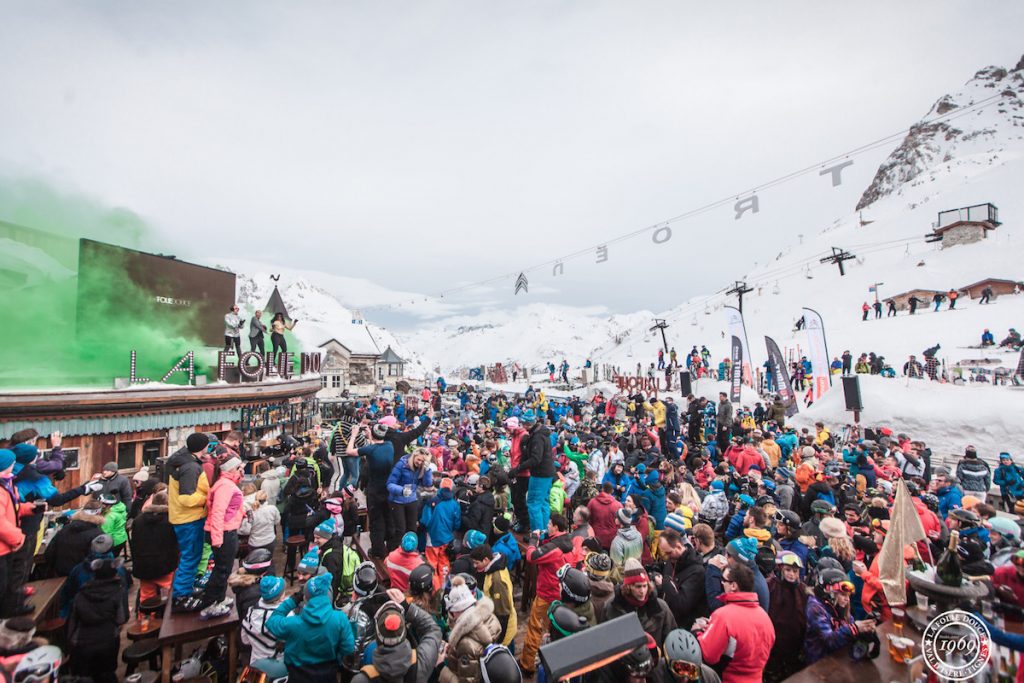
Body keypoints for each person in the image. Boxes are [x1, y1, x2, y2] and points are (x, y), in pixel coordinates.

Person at [519, 514, 583, 675]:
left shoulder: (555, 548)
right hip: (562, 594)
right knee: (553, 629)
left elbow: (532, 556)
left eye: (549, 524)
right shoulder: (569, 541)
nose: (547, 525)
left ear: (555, 527)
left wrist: (534, 540)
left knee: (535, 627)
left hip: (547, 593)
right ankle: (553, 662)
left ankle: (527, 665)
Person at [266, 572, 356, 681]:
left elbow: (272, 622)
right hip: (328, 674)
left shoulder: (293, 624)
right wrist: (336, 659)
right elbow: (348, 648)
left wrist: (293, 600)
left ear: (305, 598)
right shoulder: (340, 619)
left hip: (297, 675)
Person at [692, 563, 774, 683]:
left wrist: (698, 632)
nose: (722, 583)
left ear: (733, 585)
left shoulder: (723, 616)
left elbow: (709, 655)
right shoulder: (765, 618)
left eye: (724, 580)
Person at [350, 592, 444, 683]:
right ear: (404, 634)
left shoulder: (361, 679)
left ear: (377, 638)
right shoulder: (421, 663)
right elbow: (432, 629)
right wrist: (407, 607)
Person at [65, 553, 129, 683]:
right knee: (107, 675)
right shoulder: (118, 591)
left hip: (81, 644)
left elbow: (73, 621)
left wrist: (69, 645)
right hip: (107, 640)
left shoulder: (81, 594)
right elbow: (121, 619)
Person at [168, 432, 212, 612]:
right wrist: (207, 498)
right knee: (190, 556)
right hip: (189, 518)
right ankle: (181, 597)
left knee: (191, 556)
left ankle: (186, 588)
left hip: (182, 517)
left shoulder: (179, 461)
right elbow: (186, 498)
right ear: (203, 447)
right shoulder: (191, 467)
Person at [202, 456, 246, 619]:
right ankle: (210, 604)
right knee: (221, 569)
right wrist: (217, 538)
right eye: (239, 468)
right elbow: (218, 513)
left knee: (225, 568)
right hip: (223, 532)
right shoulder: (225, 486)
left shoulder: (227, 483)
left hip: (227, 530)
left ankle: (219, 598)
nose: (242, 471)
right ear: (231, 469)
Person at [804, 568, 875, 664]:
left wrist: (863, 632)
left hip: (839, 657)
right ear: (828, 593)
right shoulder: (815, 607)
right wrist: (854, 628)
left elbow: (849, 628)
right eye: (843, 594)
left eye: (848, 595)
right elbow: (829, 640)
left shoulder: (841, 606)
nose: (847, 599)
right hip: (819, 662)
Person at [440, 575, 502, 683]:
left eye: (451, 612)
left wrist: (440, 669)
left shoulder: (465, 645)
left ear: (455, 611)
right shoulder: (490, 618)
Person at [603, 558, 677, 645]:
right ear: (628, 587)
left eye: (645, 586)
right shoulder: (611, 606)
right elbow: (604, 639)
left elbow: (672, 639)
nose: (642, 591)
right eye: (638, 586)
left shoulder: (661, 607)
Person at [350, 421, 394, 559]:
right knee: (389, 518)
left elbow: (349, 451)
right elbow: (377, 447)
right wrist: (371, 437)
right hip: (388, 489)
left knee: (376, 521)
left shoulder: (370, 450)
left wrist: (354, 435)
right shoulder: (389, 446)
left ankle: (377, 551)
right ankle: (391, 548)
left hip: (375, 491)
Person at [130, 491, 179, 604]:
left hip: (143, 565)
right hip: (165, 565)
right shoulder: (171, 520)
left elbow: (135, 543)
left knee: (146, 597)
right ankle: (165, 617)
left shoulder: (138, 520)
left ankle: (146, 619)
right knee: (168, 595)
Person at [765, 551, 807, 680]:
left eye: (795, 571)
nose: (792, 574)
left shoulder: (803, 590)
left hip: (794, 646)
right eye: (788, 570)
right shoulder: (769, 586)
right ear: (780, 568)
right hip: (773, 646)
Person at [513, 410, 555, 533]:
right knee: (543, 502)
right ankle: (545, 531)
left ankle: (537, 535)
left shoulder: (537, 437)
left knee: (533, 503)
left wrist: (519, 467)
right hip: (548, 473)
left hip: (540, 474)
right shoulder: (541, 433)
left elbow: (536, 459)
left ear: (527, 424)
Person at [656, 528, 707, 629]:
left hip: (682, 626)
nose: (666, 557)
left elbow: (682, 605)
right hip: (668, 620)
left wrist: (665, 582)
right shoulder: (673, 561)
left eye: (669, 553)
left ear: (679, 546)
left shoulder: (697, 571)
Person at [471, 544, 517, 648]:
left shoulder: (497, 580)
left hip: (504, 629)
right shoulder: (493, 567)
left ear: (486, 560)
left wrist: (498, 641)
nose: (474, 566)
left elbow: (503, 613)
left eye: (476, 563)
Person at [386, 447, 432, 548]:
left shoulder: (422, 468)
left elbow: (427, 484)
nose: (419, 462)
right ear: (413, 456)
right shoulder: (402, 465)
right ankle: (391, 550)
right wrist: (401, 490)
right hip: (397, 500)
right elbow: (389, 484)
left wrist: (427, 470)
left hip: (411, 499)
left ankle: (409, 550)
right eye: (418, 459)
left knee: (412, 529)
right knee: (400, 529)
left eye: (422, 461)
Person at [242, 576, 288, 675]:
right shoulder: (286, 617)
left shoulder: (250, 613)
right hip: (279, 669)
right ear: (280, 597)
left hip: (256, 668)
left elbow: (245, 640)